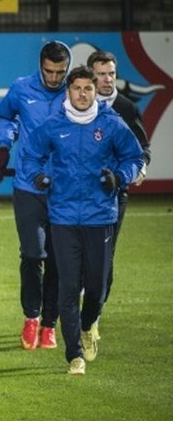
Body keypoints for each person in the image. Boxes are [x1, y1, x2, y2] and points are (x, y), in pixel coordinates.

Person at [21, 66, 142, 375]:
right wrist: (38, 177)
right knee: (68, 286)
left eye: (89, 88)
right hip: (62, 217)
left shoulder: (111, 124)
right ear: (68, 91)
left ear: (95, 91)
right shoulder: (53, 124)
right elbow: (30, 155)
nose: (83, 94)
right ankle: (74, 354)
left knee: (98, 288)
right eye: (77, 89)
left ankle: (88, 325)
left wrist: (119, 177)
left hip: (100, 216)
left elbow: (134, 157)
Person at [0, 40, 71, 350]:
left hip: (65, 189)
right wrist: (3, 144)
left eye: (60, 72)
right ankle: (31, 318)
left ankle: (50, 324)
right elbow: (6, 116)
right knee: (32, 254)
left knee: (58, 259)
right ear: (40, 66)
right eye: (49, 71)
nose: (54, 78)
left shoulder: (75, 91)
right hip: (28, 185)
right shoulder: (22, 88)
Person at [86, 50, 152, 337]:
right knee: (70, 255)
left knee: (104, 256)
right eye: (101, 73)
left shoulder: (126, 108)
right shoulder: (77, 105)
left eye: (111, 73)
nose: (107, 79)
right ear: (90, 75)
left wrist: (136, 172)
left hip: (114, 195)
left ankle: (94, 317)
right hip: (76, 195)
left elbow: (143, 149)